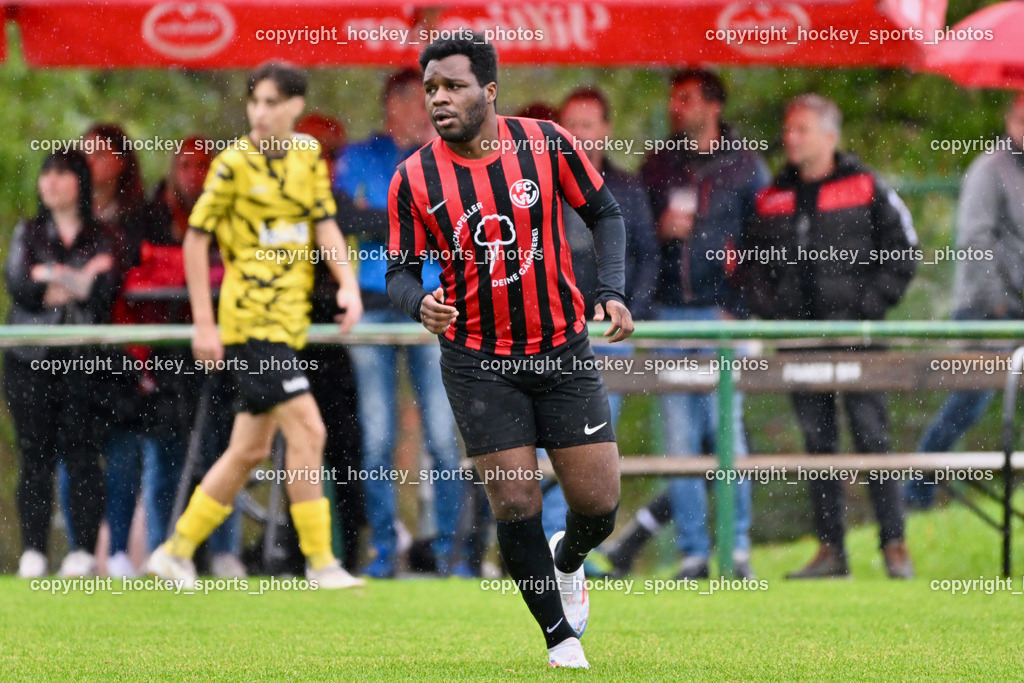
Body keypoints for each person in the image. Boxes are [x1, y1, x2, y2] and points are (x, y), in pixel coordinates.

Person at [387, 34, 634, 669]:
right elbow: (399, 271)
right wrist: (419, 302)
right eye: (432, 88)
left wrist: (609, 292)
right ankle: (560, 639)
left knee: (599, 505)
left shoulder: (546, 143)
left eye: (454, 86)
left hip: (561, 351)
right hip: (478, 361)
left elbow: (607, 214)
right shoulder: (413, 177)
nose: (439, 98)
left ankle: (570, 560)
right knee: (517, 500)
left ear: (489, 91)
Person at [146, 62, 364, 590]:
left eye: (271, 102)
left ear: (295, 106)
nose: (260, 113)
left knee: (248, 450)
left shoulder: (308, 157)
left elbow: (325, 223)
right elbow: (197, 241)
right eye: (254, 102)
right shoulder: (232, 164)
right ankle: (321, 562)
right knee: (310, 429)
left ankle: (174, 551)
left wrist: (348, 284)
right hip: (250, 325)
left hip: (289, 326)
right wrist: (204, 321)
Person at [740, 94, 918, 579]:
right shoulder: (773, 195)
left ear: (829, 135)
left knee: (872, 439)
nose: (790, 138)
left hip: (860, 339)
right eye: (788, 129)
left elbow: (905, 251)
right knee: (818, 444)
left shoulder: (866, 185)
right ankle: (830, 551)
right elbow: (746, 264)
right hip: (799, 341)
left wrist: (866, 310)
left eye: (801, 129)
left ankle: (894, 546)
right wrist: (775, 311)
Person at [614, 69, 769, 580]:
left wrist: (739, 309)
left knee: (728, 437)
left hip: (722, 318)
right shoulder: (657, 168)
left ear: (713, 104)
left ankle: (737, 551)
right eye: (673, 98)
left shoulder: (748, 168)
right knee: (678, 445)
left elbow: (765, 247)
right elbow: (635, 243)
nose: (676, 107)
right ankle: (694, 555)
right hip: (667, 318)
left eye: (685, 98)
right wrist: (660, 232)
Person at [334, 68, 462, 577]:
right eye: (400, 100)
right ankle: (384, 555)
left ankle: (452, 557)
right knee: (377, 437)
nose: (409, 109)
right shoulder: (358, 156)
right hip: (371, 306)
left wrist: (380, 214)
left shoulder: (453, 155)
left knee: (442, 436)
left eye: (418, 99)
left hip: (435, 306)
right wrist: (410, 217)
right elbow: (342, 219)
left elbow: (456, 223)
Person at [110, 137, 247, 579]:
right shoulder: (146, 216)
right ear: (172, 170)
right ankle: (162, 550)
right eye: (185, 165)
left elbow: (236, 266)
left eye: (202, 165)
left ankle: (224, 550)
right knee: (165, 453)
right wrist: (195, 268)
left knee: (225, 449)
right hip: (165, 354)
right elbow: (138, 271)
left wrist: (176, 266)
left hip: (223, 348)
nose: (194, 174)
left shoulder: (229, 209)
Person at [3, 150, 118, 578]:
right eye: (45, 173)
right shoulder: (29, 231)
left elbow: (103, 289)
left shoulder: (102, 234)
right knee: (34, 454)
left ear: (79, 183)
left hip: (83, 358)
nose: (50, 182)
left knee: (83, 452)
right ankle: (33, 550)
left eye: (61, 173)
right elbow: (21, 286)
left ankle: (82, 551)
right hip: (31, 358)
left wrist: (48, 275)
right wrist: (77, 277)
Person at [907, 93, 1024, 509]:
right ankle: (918, 489)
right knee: (969, 403)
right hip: (989, 309)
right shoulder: (989, 170)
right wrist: (997, 304)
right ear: (1010, 118)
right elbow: (976, 241)